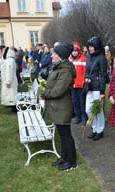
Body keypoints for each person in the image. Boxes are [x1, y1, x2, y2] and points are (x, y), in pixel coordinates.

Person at [40, 42, 78, 171]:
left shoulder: (65, 70)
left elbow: (58, 90)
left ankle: (72, 162)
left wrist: (45, 94)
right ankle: (64, 157)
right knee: (62, 135)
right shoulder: (59, 68)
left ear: (61, 56)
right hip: (57, 107)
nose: (51, 56)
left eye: (54, 54)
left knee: (66, 135)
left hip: (62, 107)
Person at [85, 37, 108, 141]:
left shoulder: (102, 58)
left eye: (92, 46)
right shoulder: (89, 57)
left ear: (96, 47)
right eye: (89, 46)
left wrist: (102, 91)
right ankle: (94, 128)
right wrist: (86, 78)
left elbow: (103, 75)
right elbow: (87, 71)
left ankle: (100, 131)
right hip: (89, 87)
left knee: (98, 111)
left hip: (97, 88)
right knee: (88, 110)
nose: (90, 48)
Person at [69, 42, 88, 125]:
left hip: (81, 85)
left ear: (78, 51)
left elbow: (85, 72)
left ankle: (85, 118)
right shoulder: (69, 60)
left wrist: (84, 82)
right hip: (73, 85)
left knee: (82, 102)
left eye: (75, 51)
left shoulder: (83, 59)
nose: (74, 52)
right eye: (73, 51)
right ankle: (78, 117)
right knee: (75, 102)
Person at [1, 47, 18, 114]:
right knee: (10, 94)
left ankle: (14, 109)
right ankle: (12, 107)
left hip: (10, 81)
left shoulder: (9, 60)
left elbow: (9, 71)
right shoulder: (9, 60)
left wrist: (8, 82)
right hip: (10, 80)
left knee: (12, 95)